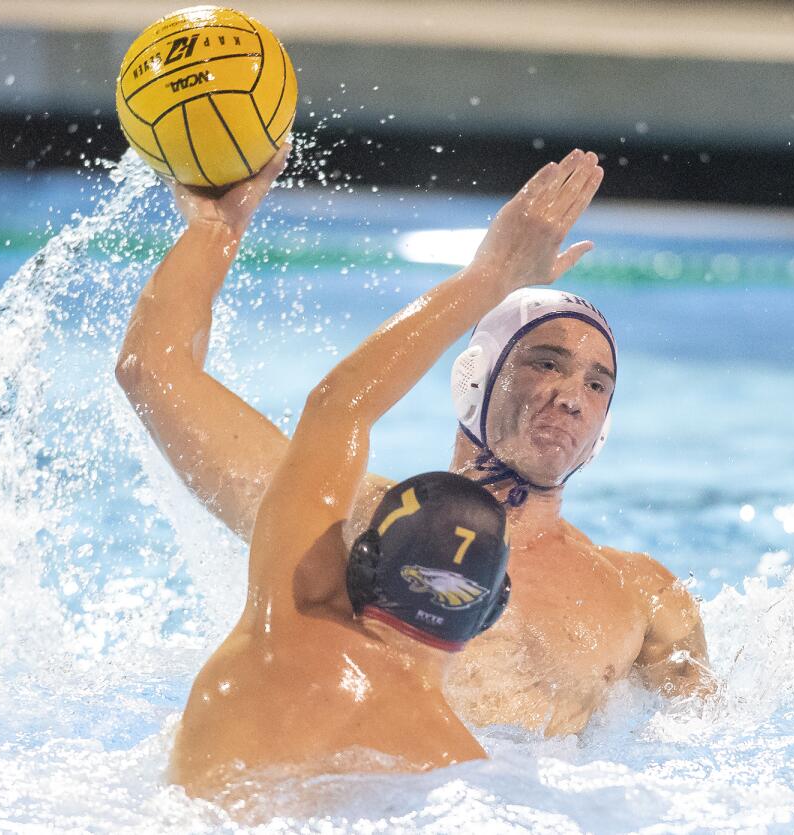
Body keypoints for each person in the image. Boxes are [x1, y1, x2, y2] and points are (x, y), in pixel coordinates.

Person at [117, 147, 712, 741]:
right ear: (475, 376)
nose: (571, 396)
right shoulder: (356, 522)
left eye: (597, 382)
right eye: (545, 363)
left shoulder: (645, 598)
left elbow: (709, 758)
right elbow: (153, 374)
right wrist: (214, 229)